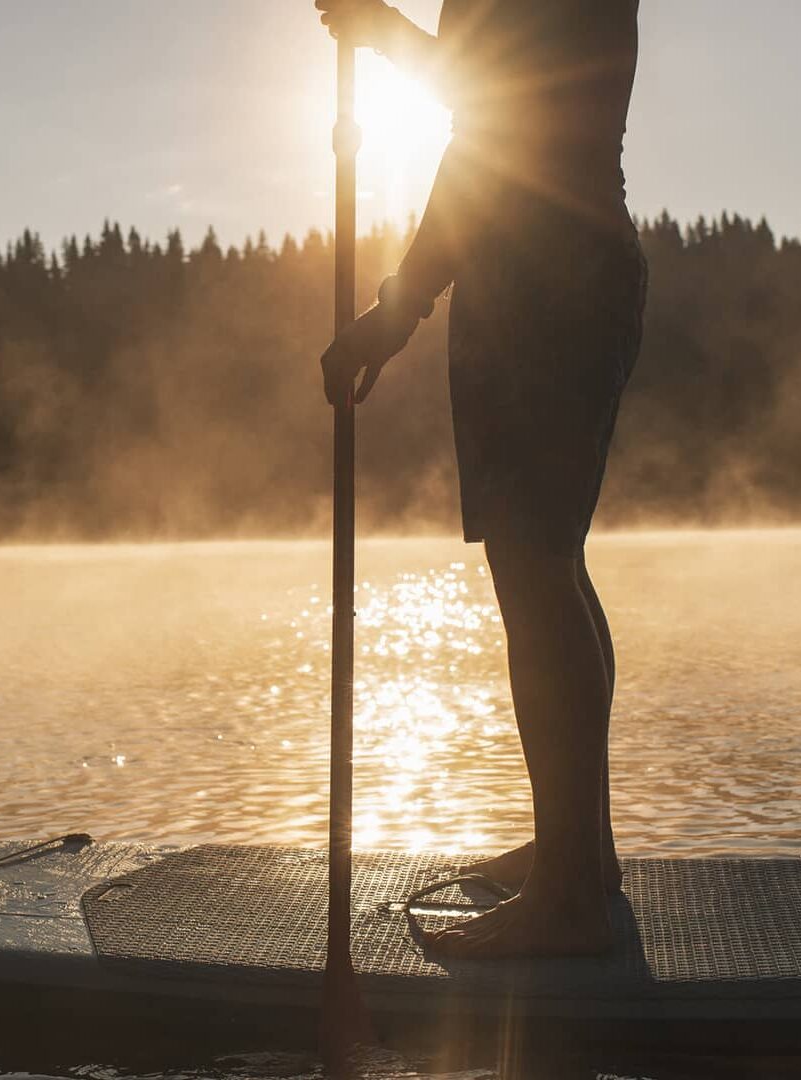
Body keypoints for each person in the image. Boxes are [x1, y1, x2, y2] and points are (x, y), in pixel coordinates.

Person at [317, 0, 647, 958]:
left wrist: (384, 34)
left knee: (537, 566)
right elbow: (480, 146)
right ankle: (579, 854)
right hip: (527, 280)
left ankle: (571, 896)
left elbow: (508, 112)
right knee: (545, 565)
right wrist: (401, 309)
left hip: (557, 280)